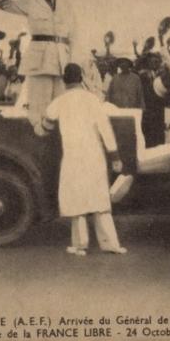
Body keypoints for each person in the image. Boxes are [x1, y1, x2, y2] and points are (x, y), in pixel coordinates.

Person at [39, 63, 127, 256]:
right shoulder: (92, 100)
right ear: (81, 79)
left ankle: (80, 245)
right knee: (99, 199)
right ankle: (111, 244)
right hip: (94, 154)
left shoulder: (59, 101)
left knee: (77, 200)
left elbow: (47, 124)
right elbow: (105, 129)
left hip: (73, 156)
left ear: (64, 80)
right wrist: (115, 157)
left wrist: (47, 125)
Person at [0, 0, 75, 132]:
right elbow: (1, 3)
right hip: (40, 60)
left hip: (62, 59)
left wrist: (73, 60)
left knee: (61, 103)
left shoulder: (65, 5)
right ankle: (39, 134)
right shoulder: (31, 3)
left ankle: (59, 138)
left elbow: (72, 33)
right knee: (40, 103)